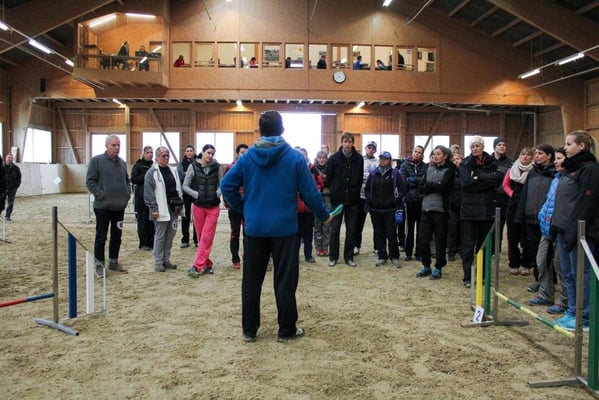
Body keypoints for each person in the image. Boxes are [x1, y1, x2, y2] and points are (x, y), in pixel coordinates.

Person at [221, 110, 333, 343]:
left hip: (255, 228)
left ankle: (249, 330)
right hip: (285, 229)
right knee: (285, 281)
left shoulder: (247, 157)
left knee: (251, 281)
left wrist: (245, 209)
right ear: (282, 130)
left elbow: (227, 185)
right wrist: (324, 215)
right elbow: (311, 193)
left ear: (260, 130)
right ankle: (286, 329)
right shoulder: (295, 158)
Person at [552, 130, 599, 331]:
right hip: (563, 229)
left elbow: (588, 204)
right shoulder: (570, 169)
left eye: (569, 144)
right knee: (569, 274)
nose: (565, 147)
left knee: (582, 274)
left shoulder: (590, 170)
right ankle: (572, 311)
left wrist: (576, 231)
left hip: (580, 232)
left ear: (582, 146)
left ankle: (585, 317)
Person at [459, 136, 502, 287]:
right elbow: (466, 184)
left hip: (487, 210)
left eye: (477, 146)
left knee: (484, 246)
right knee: (468, 245)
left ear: (482, 147)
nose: (475, 149)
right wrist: (486, 181)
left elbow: (497, 180)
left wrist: (478, 177)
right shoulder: (465, 164)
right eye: (472, 147)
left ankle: (482, 275)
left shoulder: (492, 163)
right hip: (469, 211)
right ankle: (468, 277)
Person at [85, 134, 131, 277]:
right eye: (113, 145)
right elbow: (90, 181)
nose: (117, 148)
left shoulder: (122, 163)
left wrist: (126, 194)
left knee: (117, 236)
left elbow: (127, 181)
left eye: (118, 145)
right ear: (107, 146)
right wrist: (100, 194)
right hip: (102, 207)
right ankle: (99, 265)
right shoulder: (97, 161)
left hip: (119, 207)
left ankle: (113, 261)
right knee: (101, 236)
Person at [531, 148, 567, 310]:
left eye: (559, 158)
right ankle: (545, 294)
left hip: (560, 228)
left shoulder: (569, 180)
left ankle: (565, 301)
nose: (556, 162)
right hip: (547, 227)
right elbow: (548, 201)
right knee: (541, 261)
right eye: (556, 158)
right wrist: (542, 215)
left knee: (560, 266)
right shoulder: (556, 178)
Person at [514, 144, 555, 282]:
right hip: (530, 218)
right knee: (534, 250)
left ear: (549, 156)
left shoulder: (554, 173)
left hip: (547, 219)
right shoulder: (532, 173)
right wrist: (520, 215)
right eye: (536, 153)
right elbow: (525, 195)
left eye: (540, 153)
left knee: (548, 253)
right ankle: (538, 280)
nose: (536, 156)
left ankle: (549, 281)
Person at [415, 145, 455, 280]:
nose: (435, 156)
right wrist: (434, 185)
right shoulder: (428, 169)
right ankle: (426, 265)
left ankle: (438, 267)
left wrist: (429, 185)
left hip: (440, 210)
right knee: (423, 239)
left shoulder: (449, 171)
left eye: (438, 154)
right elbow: (421, 187)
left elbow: (444, 186)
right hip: (426, 208)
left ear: (445, 156)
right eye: (434, 154)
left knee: (440, 240)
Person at [183, 144, 222, 277]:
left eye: (212, 154)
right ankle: (207, 263)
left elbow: (222, 184)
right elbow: (185, 186)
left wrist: (216, 194)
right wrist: (196, 195)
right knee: (201, 237)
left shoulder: (217, 167)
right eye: (208, 153)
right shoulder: (193, 166)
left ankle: (197, 266)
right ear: (202, 152)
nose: (210, 156)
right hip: (198, 206)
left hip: (213, 206)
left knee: (207, 235)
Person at [326, 132, 364, 267]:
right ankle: (333, 257)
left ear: (353, 143)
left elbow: (360, 178)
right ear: (341, 143)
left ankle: (349, 257)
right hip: (337, 200)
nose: (348, 144)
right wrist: (335, 189)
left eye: (350, 142)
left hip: (352, 200)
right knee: (334, 229)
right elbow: (329, 177)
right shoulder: (334, 158)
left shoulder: (359, 158)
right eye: (345, 142)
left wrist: (354, 191)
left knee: (351, 230)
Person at [144, 146, 183, 272]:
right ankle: (158, 261)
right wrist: (153, 208)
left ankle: (166, 259)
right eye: (163, 156)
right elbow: (148, 193)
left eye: (168, 156)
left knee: (171, 235)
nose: (166, 158)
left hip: (173, 207)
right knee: (160, 235)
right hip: (160, 209)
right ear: (157, 157)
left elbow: (178, 188)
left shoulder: (173, 170)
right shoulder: (152, 173)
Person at [365, 151, 405, 267]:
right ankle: (382, 256)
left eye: (385, 159)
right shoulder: (373, 173)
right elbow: (367, 189)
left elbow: (402, 188)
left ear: (390, 161)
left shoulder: (395, 173)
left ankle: (394, 256)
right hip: (375, 209)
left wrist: (397, 199)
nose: (383, 161)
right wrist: (370, 199)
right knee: (379, 233)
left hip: (390, 209)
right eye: (381, 158)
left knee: (391, 234)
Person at [502, 147, 534, 275]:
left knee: (527, 237)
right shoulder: (512, 169)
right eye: (523, 154)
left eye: (528, 154)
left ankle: (526, 264)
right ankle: (514, 263)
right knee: (512, 236)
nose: (525, 156)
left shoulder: (534, 171)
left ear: (531, 157)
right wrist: (512, 194)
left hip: (527, 206)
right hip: (513, 205)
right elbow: (505, 185)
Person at [399, 145, 426, 261]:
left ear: (422, 154)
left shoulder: (425, 166)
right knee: (409, 228)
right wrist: (417, 181)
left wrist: (413, 179)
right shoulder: (404, 165)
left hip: (421, 201)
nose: (417, 154)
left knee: (420, 228)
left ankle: (419, 253)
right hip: (409, 201)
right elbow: (403, 181)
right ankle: (408, 252)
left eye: (419, 152)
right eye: (415, 151)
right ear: (412, 152)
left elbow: (425, 181)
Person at [224, 143, 248, 269]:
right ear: (237, 153)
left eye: (246, 152)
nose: (244, 155)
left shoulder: (250, 167)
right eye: (242, 152)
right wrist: (228, 203)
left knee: (247, 232)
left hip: (247, 205)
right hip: (234, 205)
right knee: (235, 232)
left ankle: (247, 255)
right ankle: (235, 258)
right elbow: (225, 185)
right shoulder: (230, 167)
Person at [355, 140, 379, 256]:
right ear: (365, 148)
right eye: (369, 147)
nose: (371, 150)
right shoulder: (360, 160)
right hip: (360, 196)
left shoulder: (378, 162)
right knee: (358, 223)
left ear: (375, 150)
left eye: (373, 148)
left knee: (377, 224)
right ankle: (356, 246)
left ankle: (377, 247)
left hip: (374, 197)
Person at [130, 146, 155, 250]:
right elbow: (134, 179)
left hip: (153, 197)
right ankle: (143, 243)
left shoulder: (154, 165)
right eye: (148, 152)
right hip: (141, 197)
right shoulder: (138, 165)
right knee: (142, 220)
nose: (150, 154)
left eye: (151, 152)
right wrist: (147, 176)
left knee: (152, 221)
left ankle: (152, 242)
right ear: (144, 154)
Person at [491, 137, 512, 251]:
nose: (502, 147)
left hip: (503, 198)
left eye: (504, 145)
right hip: (490, 197)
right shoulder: (488, 161)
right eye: (499, 145)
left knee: (500, 224)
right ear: (494, 147)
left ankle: (497, 248)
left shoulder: (510, 163)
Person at [177, 144, 198, 248]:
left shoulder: (198, 162)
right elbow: (179, 176)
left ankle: (196, 239)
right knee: (185, 216)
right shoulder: (181, 164)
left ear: (194, 152)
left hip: (196, 193)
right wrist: (189, 174)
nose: (189, 152)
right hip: (185, 194)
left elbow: (198, 176)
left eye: (191, 151)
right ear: (185, 153)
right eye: (187, 151)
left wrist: (188, 174)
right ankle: (185, 239)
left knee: (196, 217)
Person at [312, 150, 331, 257]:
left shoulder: (330, 169)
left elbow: (331, 183)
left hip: (328, 198)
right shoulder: (313, 169)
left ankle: (325, 246)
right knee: (317, 224)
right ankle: (318, 247)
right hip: (317, 198)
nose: (322, 160)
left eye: (324, 158)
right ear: (317, 159)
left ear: (326, 159)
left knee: (327, 224)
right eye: (320, 158)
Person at [447, 152, 462, 261]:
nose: (456, 161)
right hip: (451, 205)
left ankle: (461, 250)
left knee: (463, 229)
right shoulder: (449, 172)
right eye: (453, 159)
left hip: (463, 205)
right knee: (452, 229)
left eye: (458, 159)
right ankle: (451, 251)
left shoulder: (465, 172)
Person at [3, 153, 21, 221]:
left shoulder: (16, 168)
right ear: (5, 158)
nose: (10, 159)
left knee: (10, 202)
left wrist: (16, 185)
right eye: (9, 157)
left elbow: (19, 178)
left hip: (12, 188)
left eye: (11, 158)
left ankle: (7, 216)